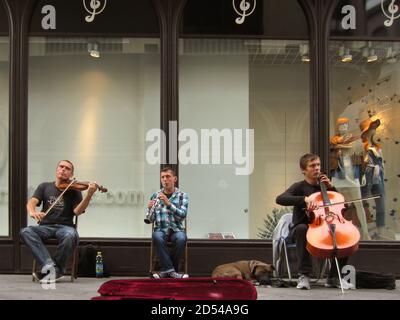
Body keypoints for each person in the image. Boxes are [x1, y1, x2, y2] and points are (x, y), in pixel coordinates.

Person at [276, 153, 354, 290]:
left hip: (323, 228)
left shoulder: (326, 187)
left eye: (318, 165)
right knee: (302, 229)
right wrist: (304, 199)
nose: (317, 168)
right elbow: (280, 199)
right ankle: (304, 275)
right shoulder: (299, 187)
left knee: (345, 236)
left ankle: (333, 277)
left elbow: (343, 206)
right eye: (312, 166)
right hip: (301, 229)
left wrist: (330, 188)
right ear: (303, 170)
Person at [20, 160, 98, 283]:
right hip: (45, 226)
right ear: (56, 170)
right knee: (25, 232)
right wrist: (32, 212)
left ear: (71, 175)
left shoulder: (75, 190)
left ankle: (53, 272)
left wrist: (89, 195)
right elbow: (32, 202)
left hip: (65, 227)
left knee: (71, 236)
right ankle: (52, 268)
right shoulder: (44, 186)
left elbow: (77, 211)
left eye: (67, 168)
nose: (63, 169)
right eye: (61, 167)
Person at [330, 117, 370, 240]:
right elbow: (331, 148)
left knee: (359, 205)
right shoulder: (334, 141)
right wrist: (338, 149)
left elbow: (362, 156)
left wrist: (363, 175)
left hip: (353, 177)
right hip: (338, 178)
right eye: (341, 126)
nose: (343, 128)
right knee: (337, 207)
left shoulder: (354, 140)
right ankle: (336, 233)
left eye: (345, 125)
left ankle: (366, 233)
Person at [145, 166, 189, 279]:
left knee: (181, 238)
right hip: (161, 229)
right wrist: (149, 209)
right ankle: (172, 272)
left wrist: (168, 204)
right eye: (162, 177)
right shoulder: (155, 195)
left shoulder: (182, 196)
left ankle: (167, 271)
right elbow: (150, 220)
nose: (165, 179)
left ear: (175, 179)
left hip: (176, 229)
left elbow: (182, 215)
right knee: (157, 237)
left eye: (168, 176)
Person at [359, 118, 393, 240]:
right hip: (367, 175)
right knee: (363, 203)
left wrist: (383, 175)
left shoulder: (377, 146)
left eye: (374, 128)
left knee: (381, 203)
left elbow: (381, 163)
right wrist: (362, 176)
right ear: (365, 132)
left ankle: (381, 230)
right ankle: (364, 231)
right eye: (371, 128)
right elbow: (359, 163)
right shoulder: (362, 146)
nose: (373, 131)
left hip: (378, 175)